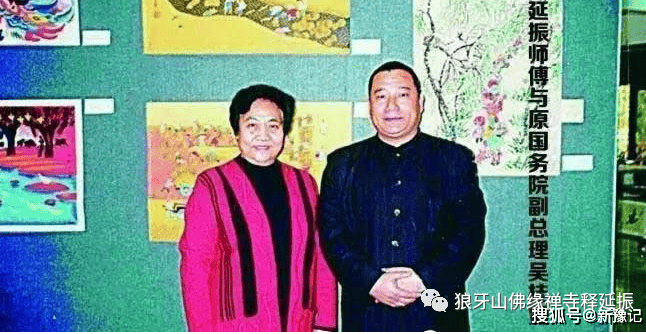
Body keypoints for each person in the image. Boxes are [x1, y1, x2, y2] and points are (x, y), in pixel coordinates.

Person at [318, 61, 487, 331]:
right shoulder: (342, 164)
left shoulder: (454, 159)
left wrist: (423, 280)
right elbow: (332, 234)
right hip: (366, 313)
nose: (391, 106)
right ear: (370, 106)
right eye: (381, 96)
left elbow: (468, 232)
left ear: (421, 102)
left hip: (437, 312)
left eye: (403, 95)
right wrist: (372, 281)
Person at [179, 84, 337, 332]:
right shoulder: (211, 185)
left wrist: (324, 324)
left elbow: (321, 255)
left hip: (298, 323)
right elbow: (195, 267)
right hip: (235, 326)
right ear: (237, 131)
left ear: (284, 132)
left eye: (273, 126)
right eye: (252, 125)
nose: (263, 136)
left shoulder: (304, 184)